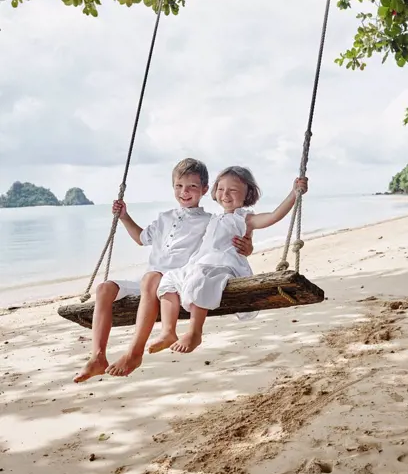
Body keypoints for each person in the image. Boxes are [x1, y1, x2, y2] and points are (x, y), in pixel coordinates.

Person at [73, 158, 253, 382]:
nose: (184, 192)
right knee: (104, 288)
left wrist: (248, 246)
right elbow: (141, 238)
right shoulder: (164, 218)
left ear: (206, 190)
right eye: (179, 186)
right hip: (151, 279)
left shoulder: (210, 221)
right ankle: (98, 357)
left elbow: (228, 241)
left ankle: (134, 354)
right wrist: (124, 217)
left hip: (177, 281)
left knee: (150, 278)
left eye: (192, 187)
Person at [149, 166, 308, 355]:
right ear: (214, 191)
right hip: (200, 263)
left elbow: (273, 216)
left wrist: (294, 193)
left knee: (202, 276)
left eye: (233, 190)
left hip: (224, 266)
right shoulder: (213, 219)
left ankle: (195, 332)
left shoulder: (245, 219)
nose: (225, 194)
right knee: (169, 279)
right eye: (221, 189)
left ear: (248, 193)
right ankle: (168, 331)